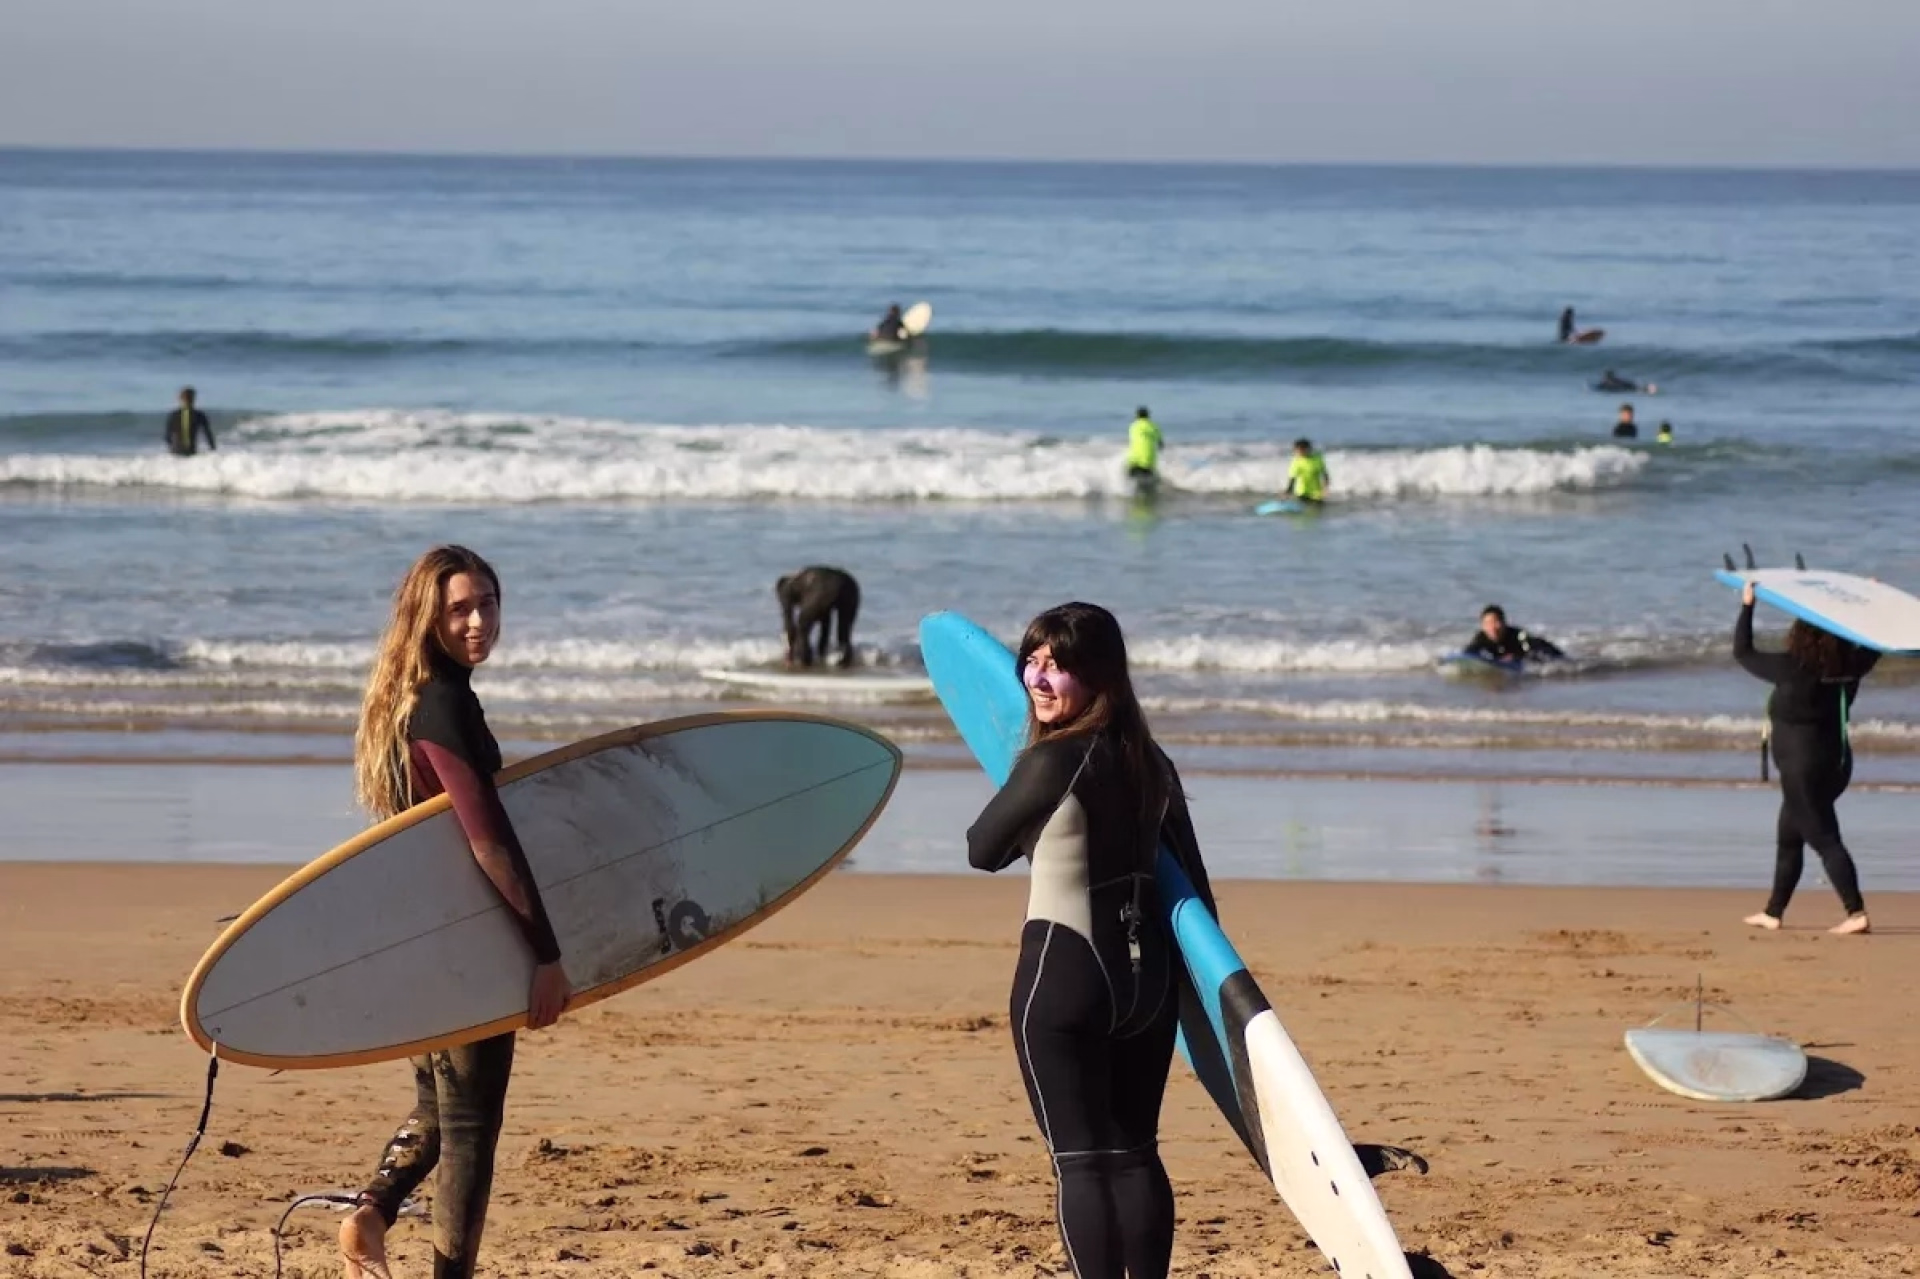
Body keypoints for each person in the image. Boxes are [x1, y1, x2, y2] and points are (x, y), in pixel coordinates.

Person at [339, 545, 571, 1279]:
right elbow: (488, 841)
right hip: (470, 945)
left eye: (488, 603)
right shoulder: (444, 703)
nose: (479, 621)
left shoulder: (407, 696)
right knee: (471, 1128)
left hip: (426, 937)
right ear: (428, 617)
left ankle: (369, 1215)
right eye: (460, 609)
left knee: (438, 1113)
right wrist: (544, 953)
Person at [966, 602, 1214, 1279]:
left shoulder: (1053, 762)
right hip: (1148, 985)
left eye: (1060, 666)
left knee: (1080, 1161)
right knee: (1135, 1153)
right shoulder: (1153, 763)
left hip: (1065, 976)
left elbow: (981, 848)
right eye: (1034, 661)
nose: (1039, 679)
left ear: (1098, 675)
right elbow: (1193, 884)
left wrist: (1030, 807)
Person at [1733, 582, 1878, 935]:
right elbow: (1873, 642)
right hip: (1835, 763)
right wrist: (1869, 604)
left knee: (1825, 838)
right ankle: (1773, 912)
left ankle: (1856, 912)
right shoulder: (1849, 666)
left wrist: (1748, 605)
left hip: (1801, 769)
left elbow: (1743, 651)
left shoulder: (1790, 667)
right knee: (1789, 836)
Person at [776, 566, 860, 668]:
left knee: (802, 629)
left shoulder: (785, 588)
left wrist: (790, 651)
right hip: (850, 585)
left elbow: (789, 623)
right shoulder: (803, 582)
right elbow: (825, 622)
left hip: (822, 586)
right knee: (844, 634)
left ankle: (804, 663)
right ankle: (845, 664)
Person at [1464, 604, 1564, 664]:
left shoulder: (1518, 635)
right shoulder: (1481, 637)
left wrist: (1517, 657)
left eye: (1495, 622)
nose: (1492, 627)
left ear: (1504, 623)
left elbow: (1535, 651)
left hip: (1543, 649)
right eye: (1487, 623)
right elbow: (1468, 654)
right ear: (1483, 626)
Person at [163, 386, 217, 456]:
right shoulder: (199, 415)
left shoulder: (174, 415)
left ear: (180, 399)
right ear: (194, 399)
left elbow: (167, 436)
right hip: (189, 452)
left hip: (177, 453)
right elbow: (208, 434)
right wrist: (213, 449)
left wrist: (171, 449)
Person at [1285, 437, 1329, 504]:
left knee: (1318, 511)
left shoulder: (1317, 459)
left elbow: (1324, 474)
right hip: (1301, 492)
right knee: (1304, 512)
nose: (1298, 453)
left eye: (1300, 450)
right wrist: (1288, 491)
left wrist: (1325, 488)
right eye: (1296, 451)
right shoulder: (1296, 462)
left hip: (1316, 493)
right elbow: (1292, 479)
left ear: (1308, 449)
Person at [1125, 407, 1162, 486]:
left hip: (1134, 458)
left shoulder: (1133, 426)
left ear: (1137, 416)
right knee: (1150, 482)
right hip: (1149, 459)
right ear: (1148, 416)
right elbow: (1160, 443)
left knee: (1129, 478)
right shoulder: (1154, 426)